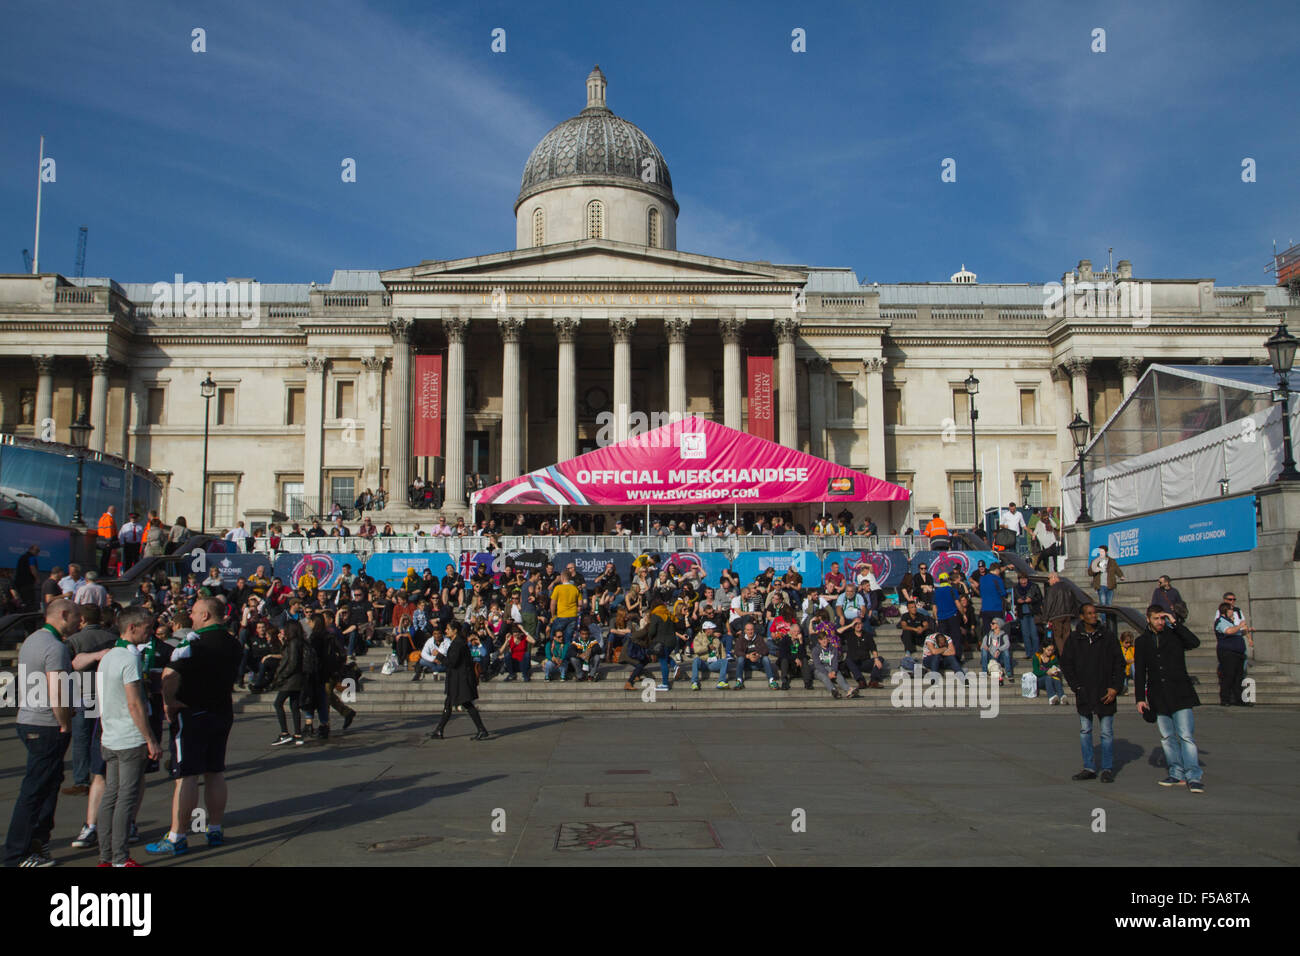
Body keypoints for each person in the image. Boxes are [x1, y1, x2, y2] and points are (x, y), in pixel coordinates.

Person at [145, 596, 242, 856]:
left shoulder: (193, 642)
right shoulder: (234, 643)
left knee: (186, 775)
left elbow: (169, 674)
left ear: (207, 615)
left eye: (196, 613)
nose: (192, 618)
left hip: (192, 712)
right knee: (215, 771)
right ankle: (215, 828)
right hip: (221, 710)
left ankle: (177, 835)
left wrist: (169, 701)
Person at [4, 598, 80, 867]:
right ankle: (17, 855)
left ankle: (36, 843)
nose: (79, 622)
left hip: (29, 720)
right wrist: (64, 723)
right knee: (35, 791)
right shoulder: (54, 647)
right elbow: (56, 689)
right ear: (63, 614)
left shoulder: (33, 640)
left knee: (46, 785)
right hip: (46, 724)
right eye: (76, 617)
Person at [94, 606, 162, 867]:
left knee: (110, 796)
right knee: (125, 798)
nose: (151, 632)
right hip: (129, 738)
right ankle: (121, 858)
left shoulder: (108, 657)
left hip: (110, 736)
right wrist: (150, 739)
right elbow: (135, 704)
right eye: (147, 627)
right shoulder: (128, 659)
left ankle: (105, 857)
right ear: (132, 627)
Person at [1134, 605, 1204, 792]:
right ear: (1148, 619)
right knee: (1167, 737)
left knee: (1186, 736)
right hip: (1158, 695)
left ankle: (1193, 775)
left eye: (1162, 618)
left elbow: (1194, 642)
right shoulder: (1142, 642)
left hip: (1180, 693)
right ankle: (1176, 773)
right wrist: (1140, 698)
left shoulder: (1174, 635)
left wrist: (1176, 623)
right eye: (1156, 618)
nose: (1160, 622)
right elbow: (1140, 671)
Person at [1060, 604, 1125, 784]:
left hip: (1105, 690)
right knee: (1085, 730)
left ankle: (1107, 768)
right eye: (1089, 613)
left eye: (1094, 613)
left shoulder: (1107, 636)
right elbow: (1066, 664)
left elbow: (1119, 663)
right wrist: (1076, 687)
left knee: (1106, 732)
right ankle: (1089, 766)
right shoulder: (1074, 639)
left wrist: (1115, 687)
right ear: (1082, 617)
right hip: (1085, 691)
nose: (1093, 616)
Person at [428, 622, 491, 740]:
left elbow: (452, 662)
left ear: (455, 630)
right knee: (451, 703)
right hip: (458, 679)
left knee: (466, 703)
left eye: (447, 629)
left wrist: (439, 655)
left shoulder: (458, 644)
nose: (446, 631)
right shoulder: (458, 643)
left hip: (460, 680)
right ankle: (439, 730)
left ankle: (481, 729)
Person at [1213, 600, 1252, 706]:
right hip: (1228, 653)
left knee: (1238, 677)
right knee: (1228, 676)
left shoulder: (1230, 621)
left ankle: (1239, 700)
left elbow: (1236, 632)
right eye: (1230, 609)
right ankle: (1225, 699)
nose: (1232, 611)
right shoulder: (1221, 621)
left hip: (1238, 653)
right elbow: (1228, 631)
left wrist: (1246, 630)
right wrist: (1239, 626)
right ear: (1225, 611)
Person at [1041, 571, 1080, 655]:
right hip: (1068, 614)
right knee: (1066, 635)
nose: (1048, 581)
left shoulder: (1052, 589)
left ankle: (1063, 655)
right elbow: (1074, 601)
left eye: (1049, 578)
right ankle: (1069, 653)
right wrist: (1074, 614)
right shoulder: (1068, 587)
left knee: (1058, 636)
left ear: (1054, 578)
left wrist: (1045, 618)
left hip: (1056, 615)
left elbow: (1048, 604)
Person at [810, 631, 857, 699]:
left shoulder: (833, 649)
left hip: (831, 668)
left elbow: (835, 662)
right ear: (819, 641)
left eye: (825, 638)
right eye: (822, 639)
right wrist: (827, 673)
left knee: (838, 674)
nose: (824, 641)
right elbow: (817, 665)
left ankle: (849, 690)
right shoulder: (815, 650)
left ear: (828, 639)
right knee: (824, 677)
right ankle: (834, 691)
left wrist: (834, 671)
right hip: (819, 670)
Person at [1012, 571, 1043, 662]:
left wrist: (1031, 599)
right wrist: (1018, 601)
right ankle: (1029, 653)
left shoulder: (1034, 586)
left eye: (1025, 580)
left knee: (1034, 634)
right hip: (1022, 613)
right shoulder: (1016, 588)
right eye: (1021, 580)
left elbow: (1040, 598)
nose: (1023, 582)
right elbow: (1013, 600)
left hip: (1033, 612)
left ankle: (1036, 653)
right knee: (1025, 634)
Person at [979, 617, 1013, 681]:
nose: (991, 624)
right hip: (991, 656)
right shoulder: (988, 635)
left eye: (993, 623)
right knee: (983, 650)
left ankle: (1008, 672)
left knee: (1006, 651)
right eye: (991, 623)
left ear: (998, 625)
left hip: (999, 657)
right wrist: (986, 648)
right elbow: (982, 645)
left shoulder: (1004, 635)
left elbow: (1007, 644)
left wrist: (999, 650)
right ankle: (984, 672)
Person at [14, 544, 42, 610]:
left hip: (19, 584)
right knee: (30, 602)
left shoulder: (22, 557)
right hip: (27, 584)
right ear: (31, 550)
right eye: (37, 551)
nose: (38, 553)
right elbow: (32, 568)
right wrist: (37, 579)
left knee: (23, 601)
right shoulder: (31, 557)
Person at [96, 506, 118, 576]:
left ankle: (103, 571)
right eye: (114, 510)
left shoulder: (103, 518)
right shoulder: (109, 519)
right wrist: (109, 542)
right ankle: (104, 572)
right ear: (112, 510)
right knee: (106, 557)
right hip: (106, 541)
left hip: (102, 539)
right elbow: (109, 531)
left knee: (104, 557)